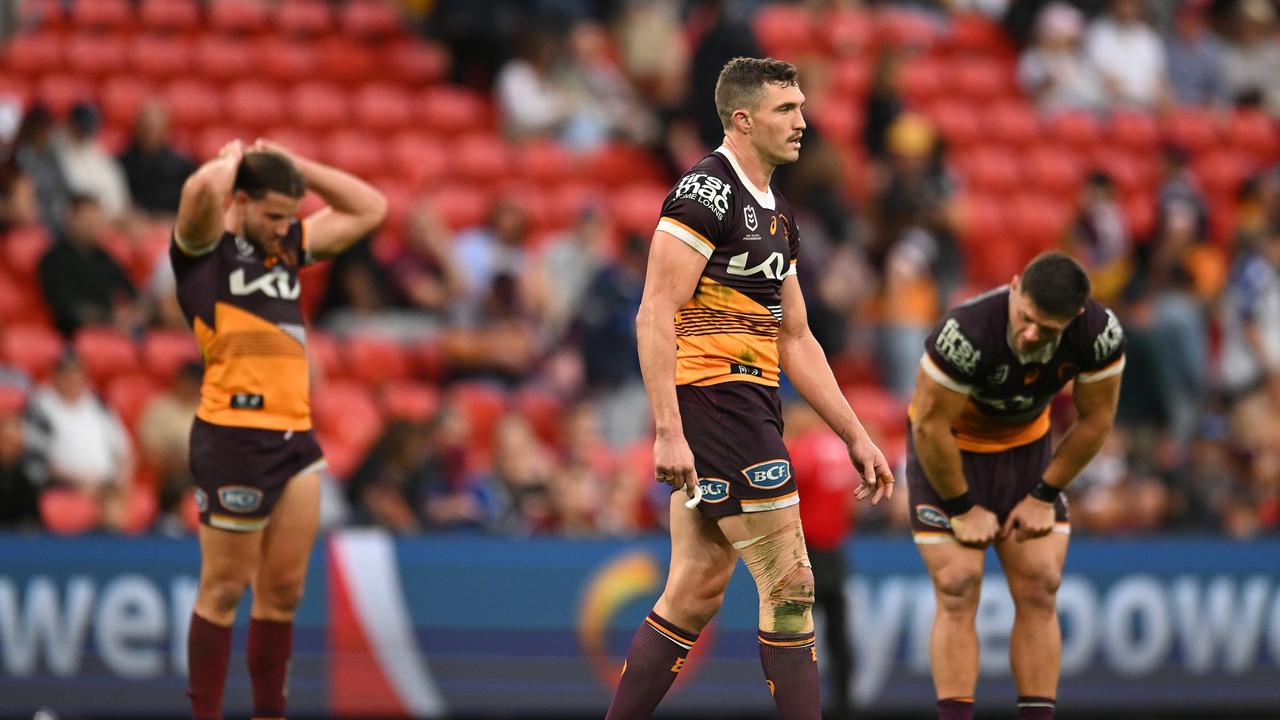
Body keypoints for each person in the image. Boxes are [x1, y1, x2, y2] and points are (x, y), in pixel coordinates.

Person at [605, 57, 894, 720]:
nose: (803, 121)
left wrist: (855, 434)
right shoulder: (704, 194)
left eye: (801, 106)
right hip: (716, 405)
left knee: (696, 590)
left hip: (751, 403)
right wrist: (668, 430)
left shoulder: (777, 212)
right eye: (786, 110)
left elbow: (797, 338)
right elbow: (654, 311)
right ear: (742, 119)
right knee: (791, 585)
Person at [173, 138, 386, 720]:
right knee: (222, 590)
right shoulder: (202, 250)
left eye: (288, 217)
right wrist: (224, 163)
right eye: (271, 215)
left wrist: (300, 169)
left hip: (297, 439)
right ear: (238, 201)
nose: (281, 228)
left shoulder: (286, 245)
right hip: (233, 436)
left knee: (284, 594)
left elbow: (371, 209)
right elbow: (196, 196)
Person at [906, 251, 1125, 720]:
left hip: (1025, 450)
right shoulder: (965, 332)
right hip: (949, 450)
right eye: (1025, 318)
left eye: (1047, 330)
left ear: (1075, 319)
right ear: (1014, 288)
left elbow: (1096, 419)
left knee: (1041, 584)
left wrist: (1043, 495)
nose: (1030, 334)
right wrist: (963, 507)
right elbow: (928, 426)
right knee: (958, 584)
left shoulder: (1098, 334)